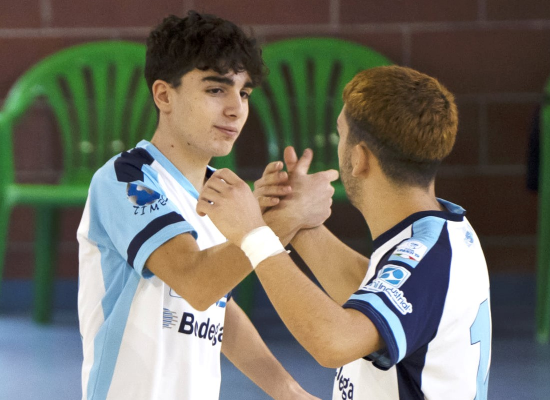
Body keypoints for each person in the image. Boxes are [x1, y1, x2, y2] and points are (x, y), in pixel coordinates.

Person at [77, 10, 332, 400]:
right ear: (164, 95)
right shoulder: (126, 178)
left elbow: (216, 306)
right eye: (216, 90)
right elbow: (196, 282)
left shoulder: (222, 193)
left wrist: (289, 391)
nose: (236, 109)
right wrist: (287, 219)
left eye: (244, 93)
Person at [197, 65, 492, 399]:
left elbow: (335, 342)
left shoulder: (428, 258)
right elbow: (373, 290)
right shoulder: (440, 232)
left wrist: (253, 234)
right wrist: (298, 221)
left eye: (340, 135)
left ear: (358, 158)